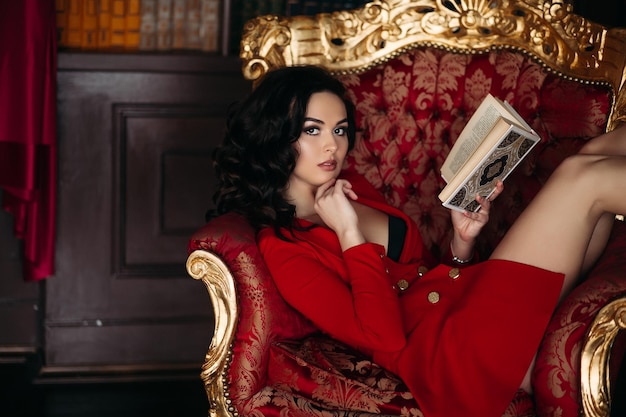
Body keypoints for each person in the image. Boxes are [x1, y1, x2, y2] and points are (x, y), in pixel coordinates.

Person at [211, 65, 626, 417]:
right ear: (276, 136)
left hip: (468, 303)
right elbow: (384, 337)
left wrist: (461, 246)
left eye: (339, 129)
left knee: (600, 147)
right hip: (452, 355)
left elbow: (422, 278)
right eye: (312, 130)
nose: (332, 145)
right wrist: (348, 233)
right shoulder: (283, 248)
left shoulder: (350, 185)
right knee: (584, 178)